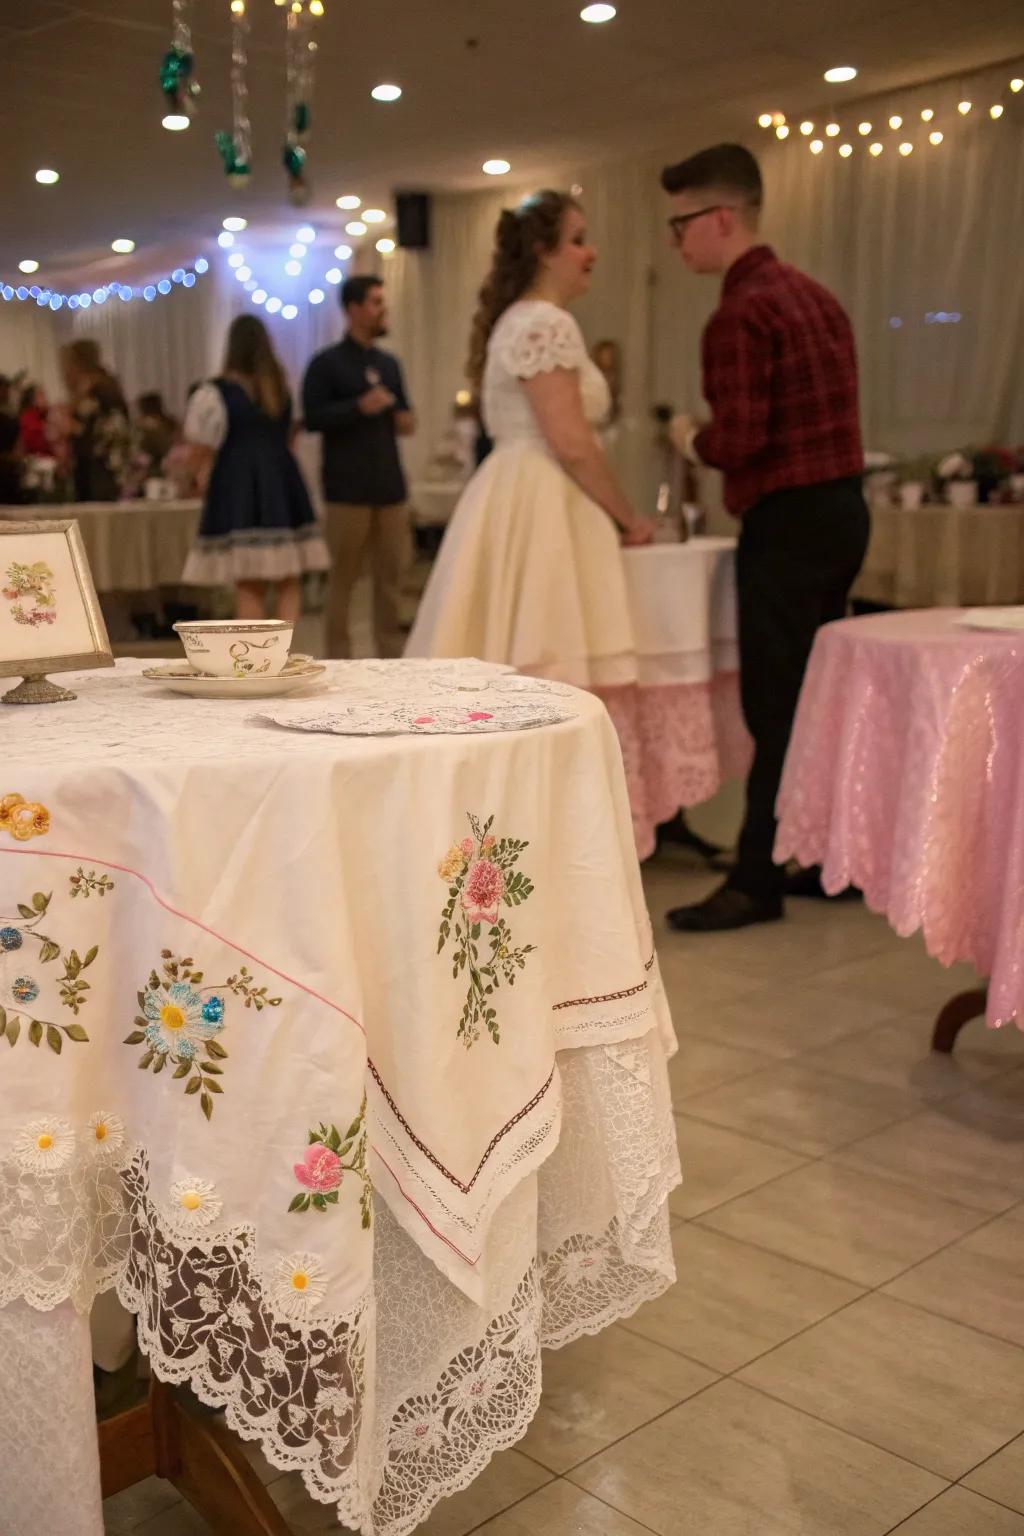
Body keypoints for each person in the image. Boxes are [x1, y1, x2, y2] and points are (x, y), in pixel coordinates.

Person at [660, 143, 869, 932]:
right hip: (843, 512)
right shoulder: (816, 296)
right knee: (816, 700)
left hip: (786, 523)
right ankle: (822, 858)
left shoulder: (739, 312)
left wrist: (688, 439)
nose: (676, 243)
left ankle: (756, 878)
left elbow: (741, 441)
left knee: (775, 705)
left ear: (721, 218)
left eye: (680, 225)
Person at [406, 190, 653, 683]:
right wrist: (629, 519)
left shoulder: (517, 320)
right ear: (544, 251)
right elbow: (572, 444)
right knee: (545, 653)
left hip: (511, 489)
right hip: (544, 494)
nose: (592, 253)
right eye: (579, 240)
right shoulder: (545, 323)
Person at [182, 315, 328, 622]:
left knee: (248, 581)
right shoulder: (280, 390)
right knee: (289, 579)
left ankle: (255, 657)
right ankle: (283, 651)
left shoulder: (216, 393)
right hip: (281, 480)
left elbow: (201, 447)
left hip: (239, 483)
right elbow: (291, 437)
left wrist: (192, 478)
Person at [302, 275, 416, 657]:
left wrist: (403, 417)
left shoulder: (390, 364)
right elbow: (312, 417)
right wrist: (357, 407)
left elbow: (405, 416)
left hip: (389, 486)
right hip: (347, 489)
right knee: (344, 580)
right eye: (375, 302)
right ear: (352, 309)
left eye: (383, 302)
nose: (383, 309)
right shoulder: (326, 364)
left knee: (392, 580)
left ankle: (391, 659)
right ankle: (338, 659)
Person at [61, 339, 132, 502]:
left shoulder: (98, 392)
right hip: (97, 466)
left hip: (100, 468)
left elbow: (95, 432)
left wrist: (71, 427)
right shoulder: (103, 388)